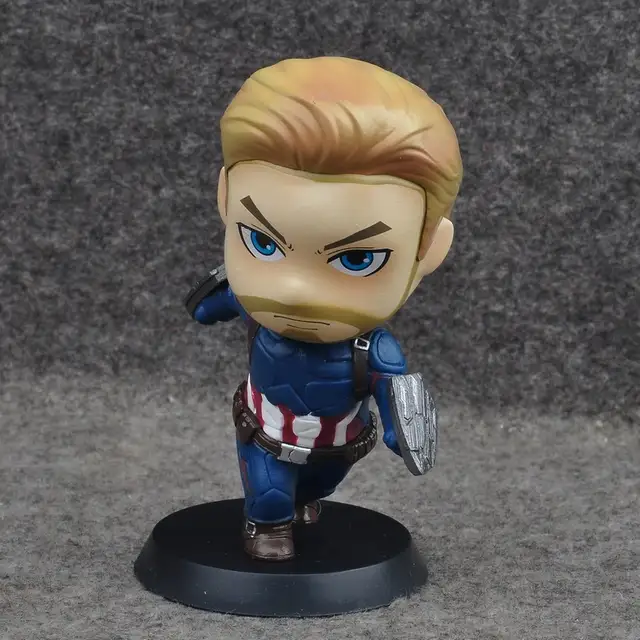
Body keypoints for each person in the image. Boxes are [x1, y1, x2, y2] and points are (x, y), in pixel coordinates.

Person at [191, 56, 462, 561]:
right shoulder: (257, 310)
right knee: (270, 493)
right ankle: (267, 523)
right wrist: (210, 305)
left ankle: (302, 500)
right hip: (265, 432)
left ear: (428, 252)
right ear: (226, 201)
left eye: (357, 259)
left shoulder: (372, 349)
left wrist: (403, 429)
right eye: (263, 242)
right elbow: (218, 303)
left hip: (337, 446)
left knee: (318, 488)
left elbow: (393, 393)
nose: (296, 291)